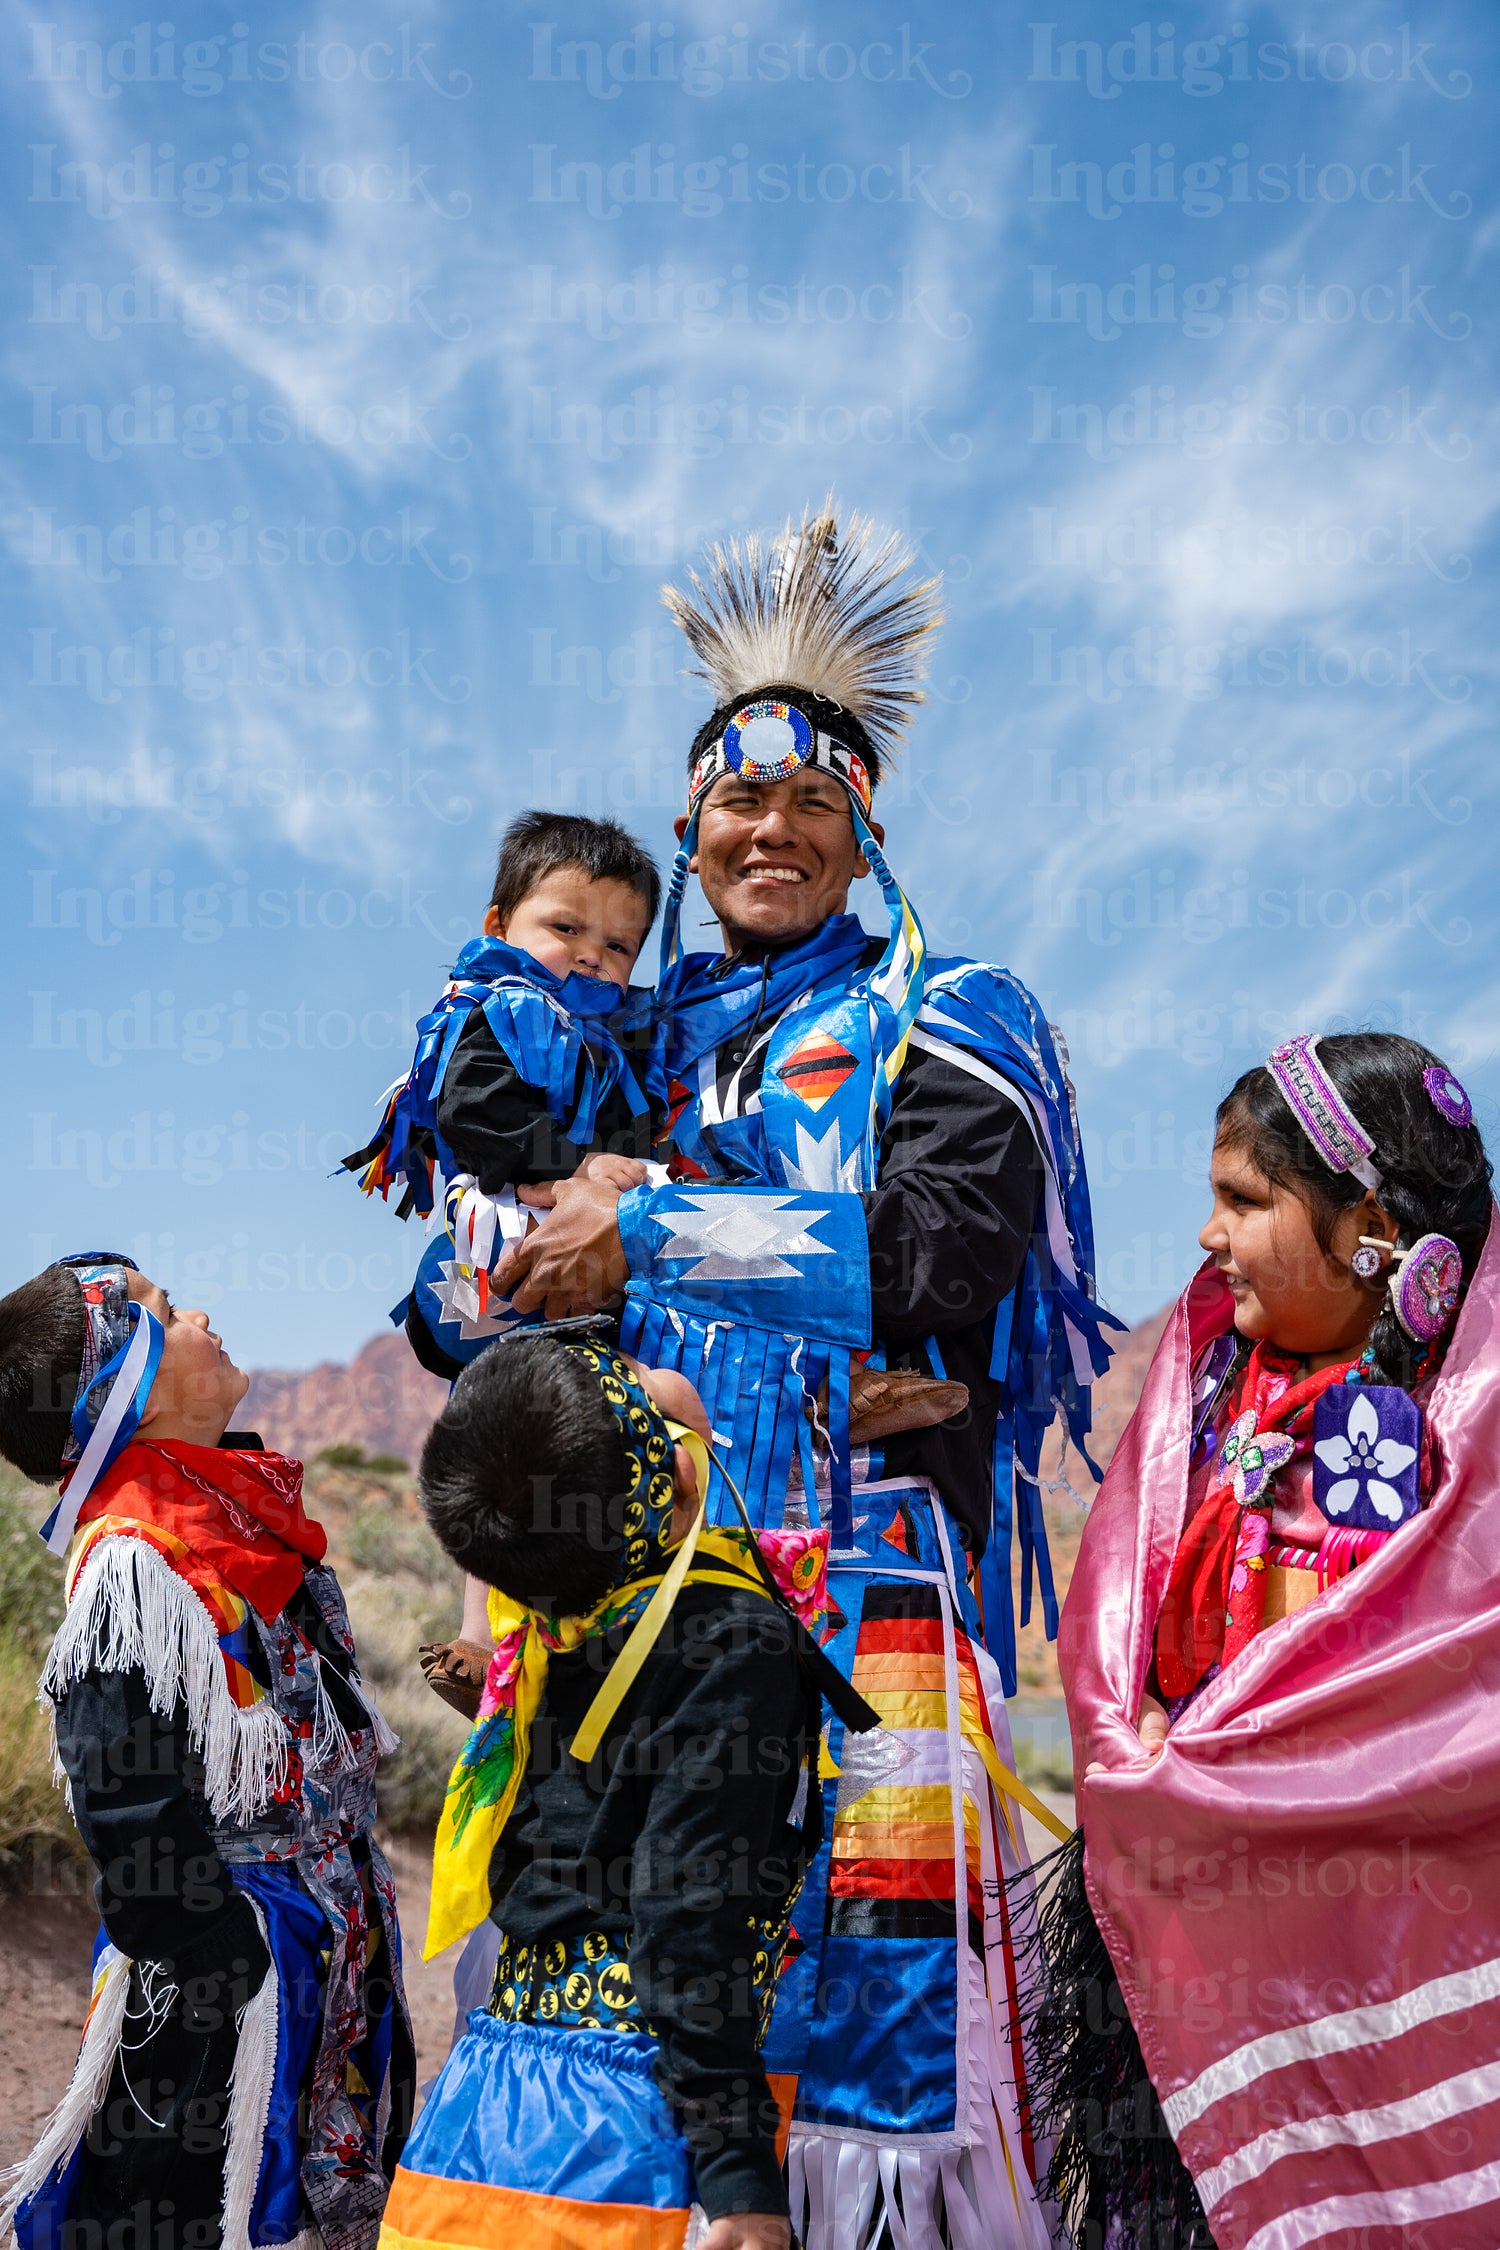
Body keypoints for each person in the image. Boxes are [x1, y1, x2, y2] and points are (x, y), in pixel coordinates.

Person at [485, 507, 1118, 2248]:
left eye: (811, 803)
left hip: (867, 1602)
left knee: (871, 2056)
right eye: (740, 803)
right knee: (619, 2008)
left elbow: (940, 1259)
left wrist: (657, 1237)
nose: (774, 828)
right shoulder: (627, 1036)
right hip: (638, 1602)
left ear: (864, 830)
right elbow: (480, 1305)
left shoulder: (959, 1015)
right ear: (690, 831)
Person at [1040, 1032, 1498, 2248]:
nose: (1206, 1235)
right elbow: (1121, 1612)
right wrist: (1144, 1744)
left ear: (1370, 1229)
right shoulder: (1205, 1396)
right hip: (1191, 1930)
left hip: (1367, 1948)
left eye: (1244, 1201)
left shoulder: (1472, 1447)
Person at [379, 1325, 850, 2250]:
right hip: (627, 2130)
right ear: (669, 1480)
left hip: (487, 2108)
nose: (657, 1361)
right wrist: (741, 2178)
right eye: (634, 1377)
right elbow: (687, 1914)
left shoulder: (562, 1629)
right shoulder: (732, 1640)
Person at [0, 1252, 414, 2250]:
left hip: (312, 1950)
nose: (204, 1312)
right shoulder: (136, 1563)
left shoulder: (230, 1520)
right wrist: (223, 1963)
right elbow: (123, 1795)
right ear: (126, 1390)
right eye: (168, 1311)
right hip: (222, 1994)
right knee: (196, 2210)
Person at [342, 809, 663, 1703]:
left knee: (556, 1432)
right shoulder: (494, 1010)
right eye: (566, 928)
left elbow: (630, 1137)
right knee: (505, 1437)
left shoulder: (608, 1044)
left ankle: (548, 1624)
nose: (592, 956)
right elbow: (473, 1115)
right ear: (500, 927)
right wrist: (573, 1173)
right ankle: (483, 1632)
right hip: (503, 1258)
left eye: (619, 944)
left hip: (576, 1273)